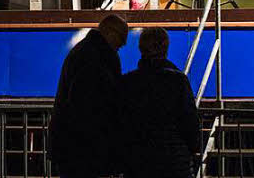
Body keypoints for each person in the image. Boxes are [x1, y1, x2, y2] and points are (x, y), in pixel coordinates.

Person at [48, 15, 129, 178]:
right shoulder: (97, 58)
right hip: (84, 148)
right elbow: (91, 106)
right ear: (110, 33)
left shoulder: (83, 51)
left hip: (71, 146)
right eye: (121, 40)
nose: (121, 45)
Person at [120, 27, 199, 178]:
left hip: (138, 162)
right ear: (165, 47)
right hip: (173, 161)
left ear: (141, 49)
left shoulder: (128, 82)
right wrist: (192, 149)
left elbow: (121, 122)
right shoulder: (178, 81)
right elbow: (189, 121)